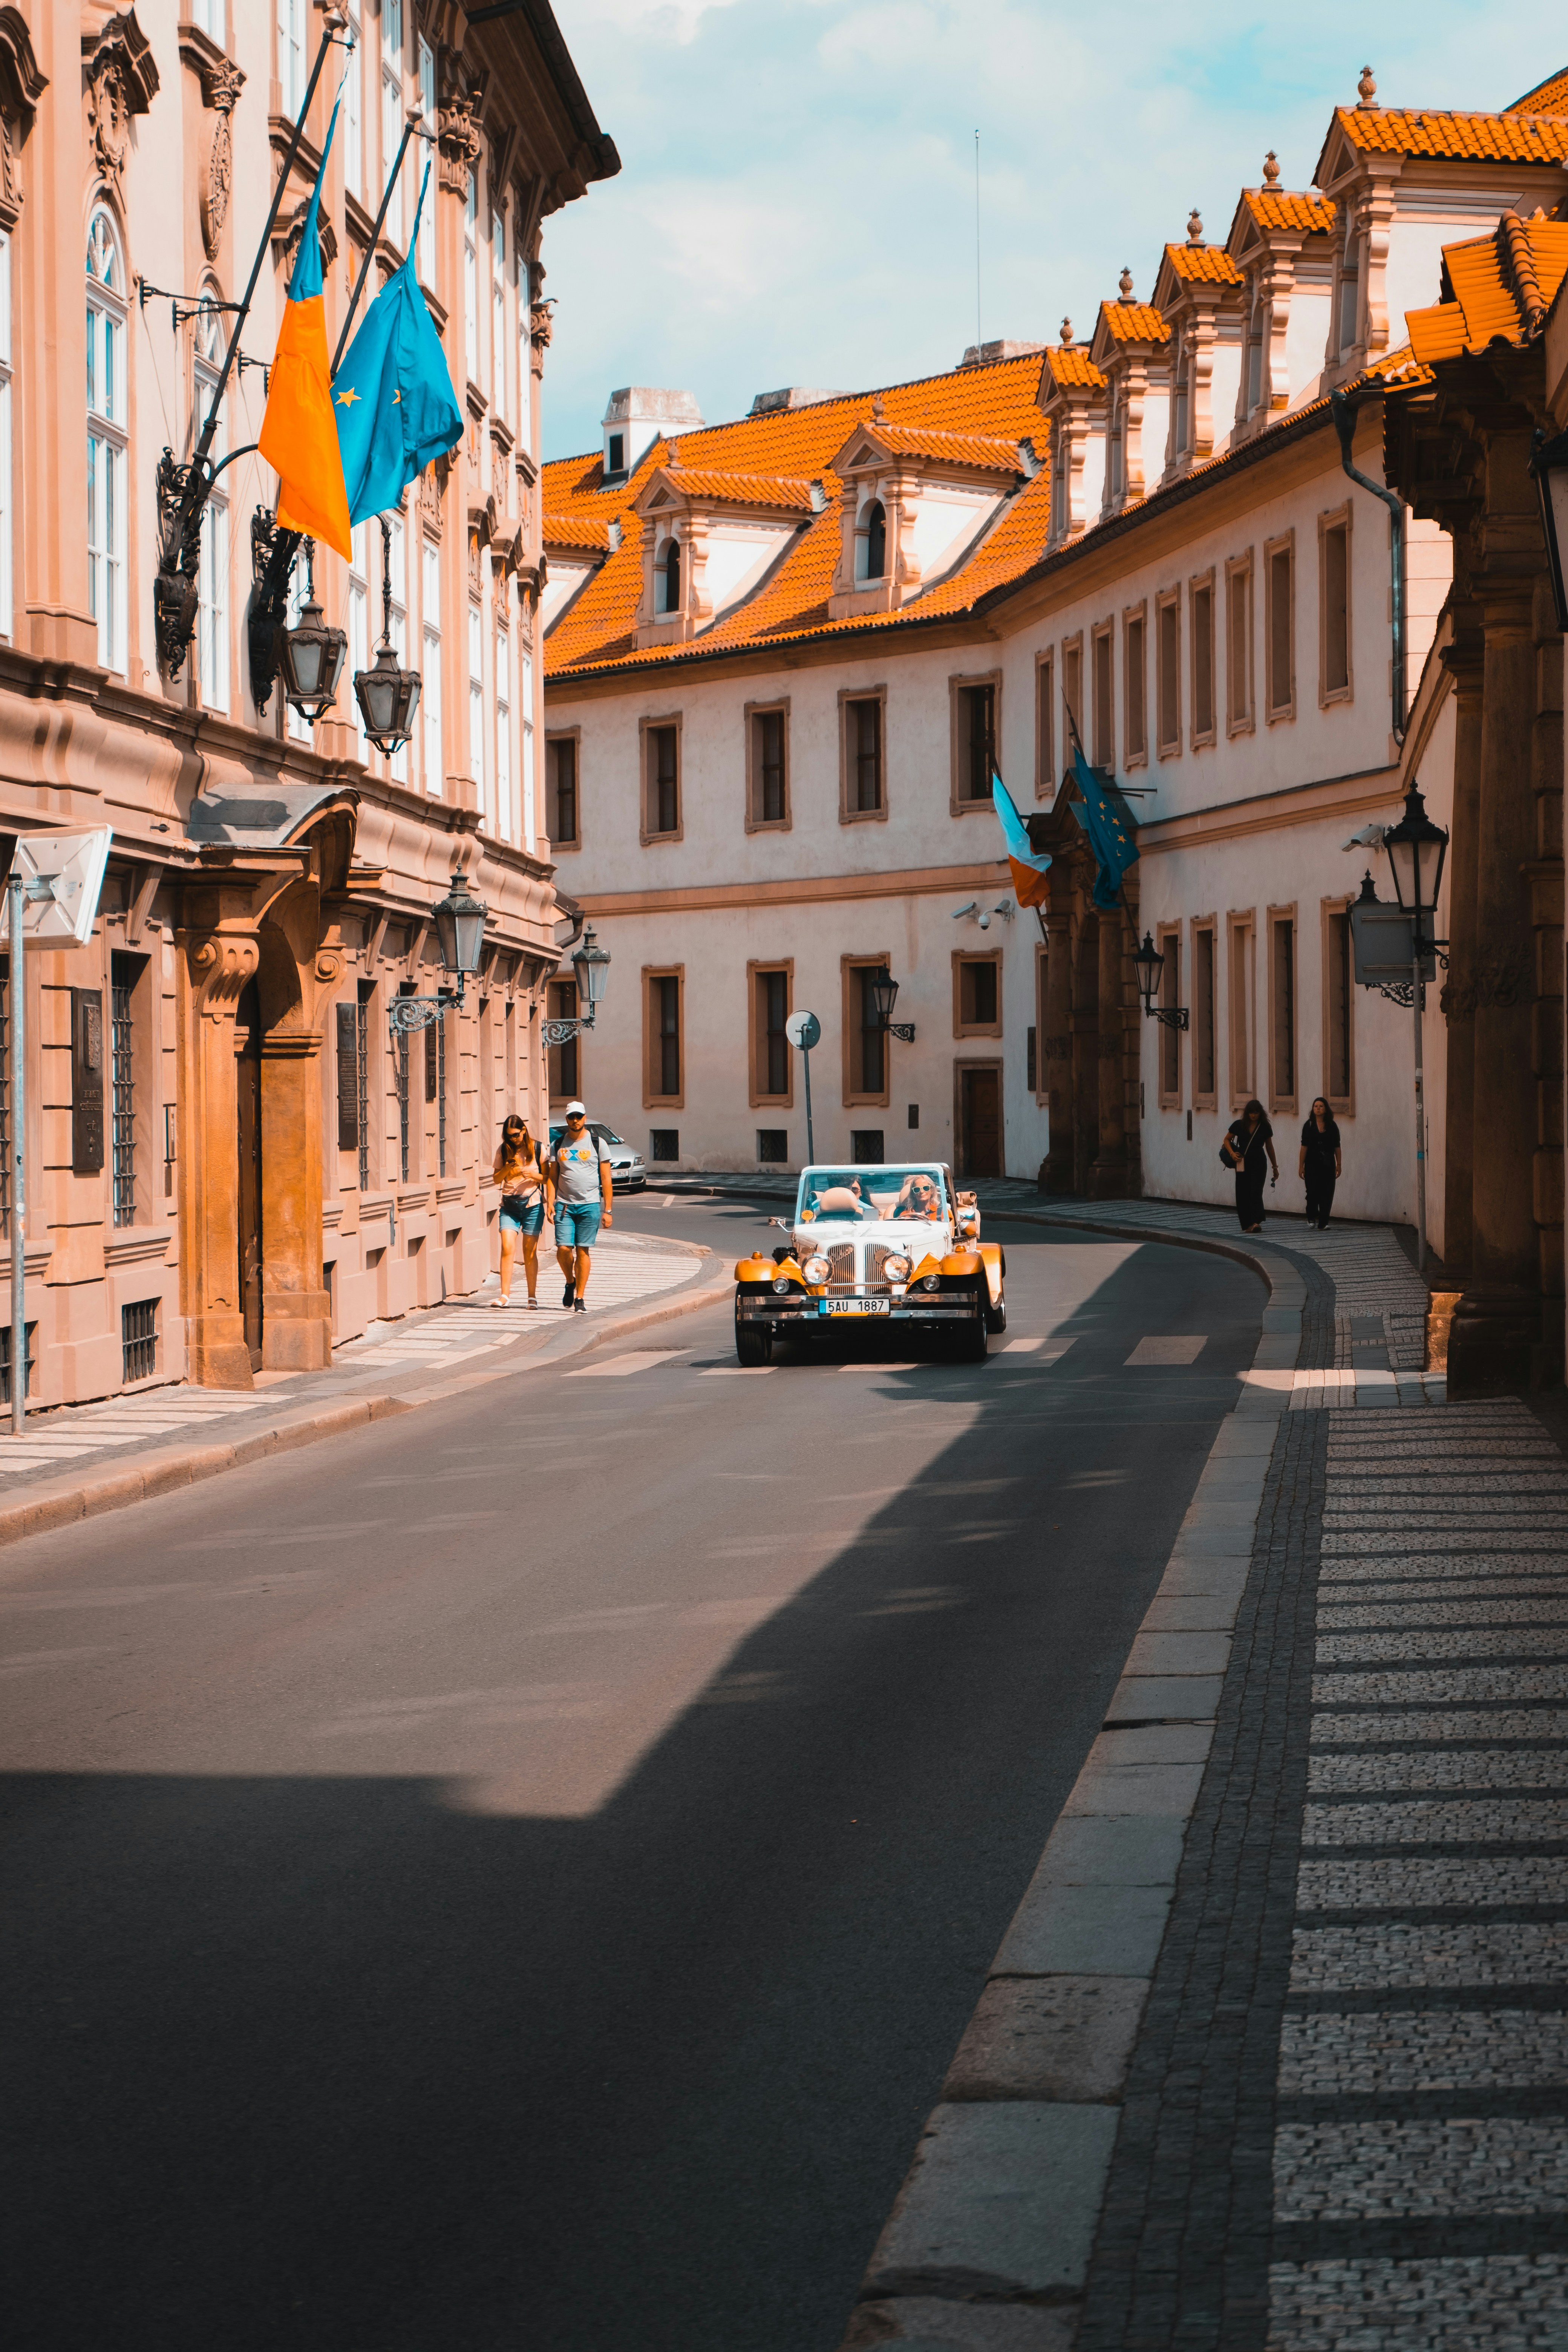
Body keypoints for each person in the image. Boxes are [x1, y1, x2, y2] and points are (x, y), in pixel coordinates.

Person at [550, 1100, 613, 1312]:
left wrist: (608, 1210)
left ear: (585, 1117)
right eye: (572, 1117)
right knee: (563, 1249)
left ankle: (580, 1298)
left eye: (579, 1116)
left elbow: (606, 1178)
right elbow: (552, 1177)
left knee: (583, 1251)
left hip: (590, 1205)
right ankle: (570, 1281)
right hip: (565, 1206)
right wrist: (551, 1204)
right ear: (567, 1119)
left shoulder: (598, 1144)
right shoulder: (558, 1145)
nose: (575, 1121)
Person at [492, 1115, 549, 1306]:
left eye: (516, 1135)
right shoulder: (504, 1150)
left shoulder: (539, 1148)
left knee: (529, 1252)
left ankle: (532, 1297)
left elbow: (548, 1177)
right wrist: (506, 1169)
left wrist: (533, 1174)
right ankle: (504, 1296)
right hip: (509, 1206)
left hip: (532, 1205)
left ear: (524, 1130)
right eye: (509, 1137)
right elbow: (496, 1179)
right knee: (507, 1248)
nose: (513, 1139)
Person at [1221, 1097, 1278, 1232]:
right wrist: (1231, 1154)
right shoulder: (1239, 1125)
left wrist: (1275, 1167)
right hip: (1242, 1161)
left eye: (1256, 1113)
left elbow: (1270, 1148)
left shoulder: (1264, 1127)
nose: (1254, 1115)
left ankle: (1255, 1222)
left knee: (1256, 1191)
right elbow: (1227, 1140)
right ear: (1247, 1113)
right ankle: (1247, 1224)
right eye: (1251, 1113)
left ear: (1261, 1113)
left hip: (1259, 1161)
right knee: (1242, 1191)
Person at [1299, 1097, 1343, 1230]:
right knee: (1312, 1192)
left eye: (1321, 1106)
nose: (1318, 1108)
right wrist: (1301, 1165)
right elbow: (1304, 1147)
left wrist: (1339, 1164)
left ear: (1326, 1109)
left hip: (1328, 1164)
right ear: (1313, 1109)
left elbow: (1337, 1146)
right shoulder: (1309, 1125)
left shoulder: (1332, 1126)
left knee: (1327, 1192)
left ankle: (1323, 1223)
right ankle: (1311, 1216)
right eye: (1316, 1106)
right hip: (1312, 1164)